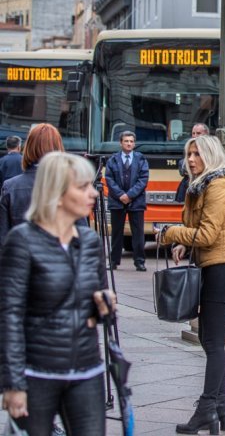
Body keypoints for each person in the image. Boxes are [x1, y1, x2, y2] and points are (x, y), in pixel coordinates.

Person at [0, 152, 117, 435]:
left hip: (86, 370)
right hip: (38, 372)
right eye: (82, 187)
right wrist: (13, 383)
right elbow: (10, 316)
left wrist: (104, 308)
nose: (93, 193)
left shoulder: (89, 241)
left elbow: (97, 309)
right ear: (57, 193)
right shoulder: (23, 240)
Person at [159, 134, 225, 434]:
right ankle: (220, 407)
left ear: (210, 156)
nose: (191, 159)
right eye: (189, 154)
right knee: (209, 339)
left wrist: (171, 234)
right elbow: (200, 232)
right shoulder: (200, 186)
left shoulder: (218, 187)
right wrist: (185, 244)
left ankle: (208, 407)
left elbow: (207, 235)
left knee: (213, 342)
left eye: (197, 154)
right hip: (211, 266)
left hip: (222, 270)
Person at [0, 124, 70, 242]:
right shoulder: (69, 186)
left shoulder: (10, 186)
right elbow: (81, 237)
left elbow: (3, 239)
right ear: (58, 148)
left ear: (28, 147)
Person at [105, 130, 149, 271]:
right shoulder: (113, 159)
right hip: (117, 201)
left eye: (131, 141)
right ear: (121, 143)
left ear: (134, 143)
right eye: (126, 141)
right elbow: (109, 179)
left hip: (136, 201)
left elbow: (143, 179)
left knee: (138, 233)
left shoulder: (141, 158)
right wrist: (120, 195)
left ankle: (140, 262)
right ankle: (113, 261)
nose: (129, 143)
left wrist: (129, 195)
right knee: (117, 233)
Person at [176, 123, 211, 203]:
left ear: (206, 134)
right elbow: (182, 168)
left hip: (203, 186)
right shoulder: (189, 146)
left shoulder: (210, 148)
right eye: (193, 133)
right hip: (188, 185)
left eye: (198, 133)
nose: (195, 136)